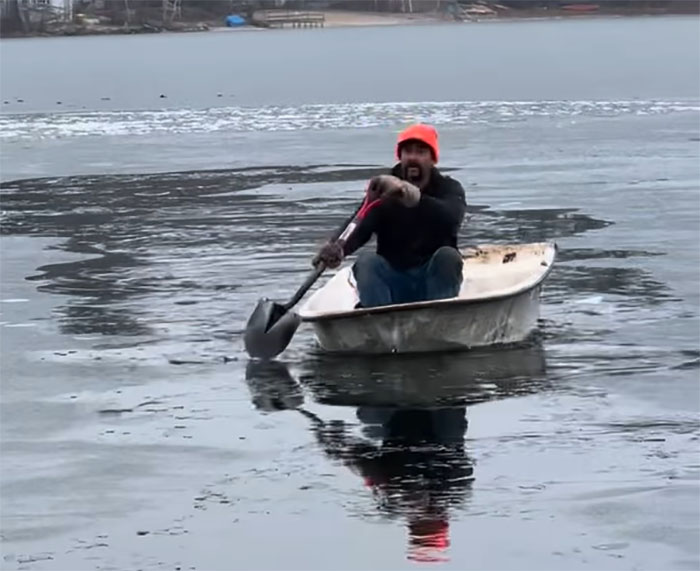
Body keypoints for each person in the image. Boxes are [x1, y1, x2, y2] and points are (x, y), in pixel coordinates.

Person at [313, 123, 467, 308]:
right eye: (408, 152)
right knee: (366, 262)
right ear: (400, 156)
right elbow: (360, 226)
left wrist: (413, 197)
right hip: (393, 280)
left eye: (420, 152)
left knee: (448, 257)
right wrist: (337, 247)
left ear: (432, 159)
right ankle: (379, 320)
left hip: (433, 280)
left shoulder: (449, 188)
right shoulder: (383, 192)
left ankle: (440, 316)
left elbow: (451, 219)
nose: (413, 157)